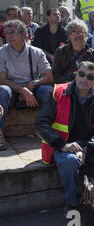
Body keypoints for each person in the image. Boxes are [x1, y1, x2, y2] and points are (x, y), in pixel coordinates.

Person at [35, 61, 94, 216]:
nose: (84, 79)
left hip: (89, 145)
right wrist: (62, 145)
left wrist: (86, 150)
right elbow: (41, 124)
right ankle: (72, 203)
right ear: (76, 73)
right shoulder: (58, 92)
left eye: (89, 77)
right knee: (69, 161)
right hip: (62, 144)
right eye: (81, 74)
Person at [0, 20, 53, 150]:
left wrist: (33, 84)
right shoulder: (2, 52)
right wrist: (23, 90)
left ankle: (47, 128)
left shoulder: (36, 52)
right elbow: (2, 79)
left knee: (50, 92)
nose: (9, 36)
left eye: (13, 32)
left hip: (33, 89)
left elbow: (49, 75)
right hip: (12, 90)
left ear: (23, 34)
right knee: (2, 91)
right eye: (6, 33)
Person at [52, 19, 94, 114]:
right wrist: (71, 85)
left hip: (90, 87)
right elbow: (56, 74)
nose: (78, 35)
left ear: (86, 35)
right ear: (69, 35)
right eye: (74, 32)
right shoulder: (61, 52)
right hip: (67, 87)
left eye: (81, 32)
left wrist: (87, 83)